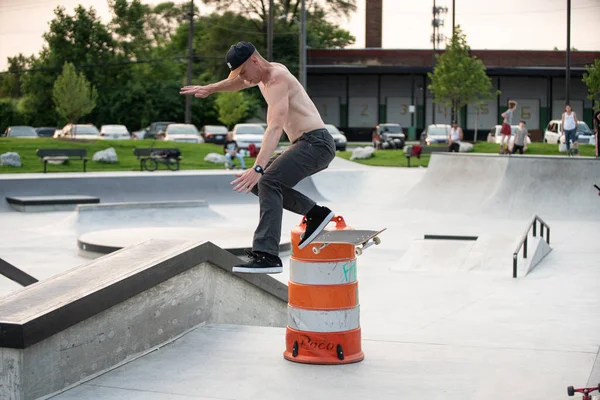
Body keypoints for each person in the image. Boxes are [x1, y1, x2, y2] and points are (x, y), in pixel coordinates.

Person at [180, 41, 336, 274]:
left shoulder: (277, 79)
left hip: (316, 144)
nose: (244, 78)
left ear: (254, 60)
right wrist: (211, 88)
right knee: (258, 185)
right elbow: (235, 83)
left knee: (266, 179)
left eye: (244, 71)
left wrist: (258, 167)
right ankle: (316, 213)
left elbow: (275, 127)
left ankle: (267, 254)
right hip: (306, 143)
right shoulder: (261, 75)